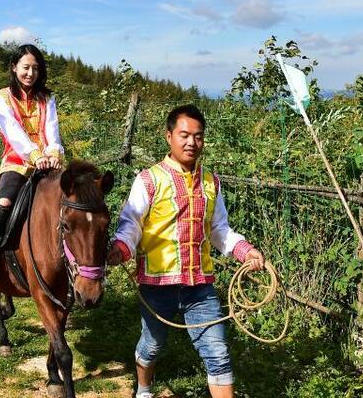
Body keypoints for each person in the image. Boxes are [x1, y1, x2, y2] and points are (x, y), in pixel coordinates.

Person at [107, 104, 265, 398]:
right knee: (151, 346)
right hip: (157, 285)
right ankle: (143, 389)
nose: (192, 142)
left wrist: (246, 251)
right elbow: (132, 224)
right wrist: (121, 248)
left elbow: (219, 230)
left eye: (199, 136)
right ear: (169, 136)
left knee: (218, 355)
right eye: (184, 135)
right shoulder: (149, 180)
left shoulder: (211, 182)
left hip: (200, 287)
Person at [0, 43, 64, 292]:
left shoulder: (47, 98)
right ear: (14, 68)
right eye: (25, 67)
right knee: (3, 202)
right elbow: (12, 131)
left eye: (35, 68)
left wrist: (54, 152)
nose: (30, 73)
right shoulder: (2, 97)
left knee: (75, 200)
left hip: (47, 161)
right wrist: (34, 154)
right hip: (18, 161)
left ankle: (82, 264)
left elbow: (52, 129)